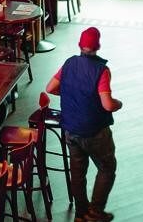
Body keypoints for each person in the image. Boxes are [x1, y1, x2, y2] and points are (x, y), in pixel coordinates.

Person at [45, 27, 121, 222]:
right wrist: (118, 104)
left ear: (80, 45)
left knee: (77, 172)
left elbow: (50, 88)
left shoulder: (69, 63)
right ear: (98, 46)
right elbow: (107, 104)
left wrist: (72, 94)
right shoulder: (101, 71)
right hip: (94, 132)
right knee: (107, 167)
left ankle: (80, 213)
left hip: (70, 129)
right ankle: (95, 213)